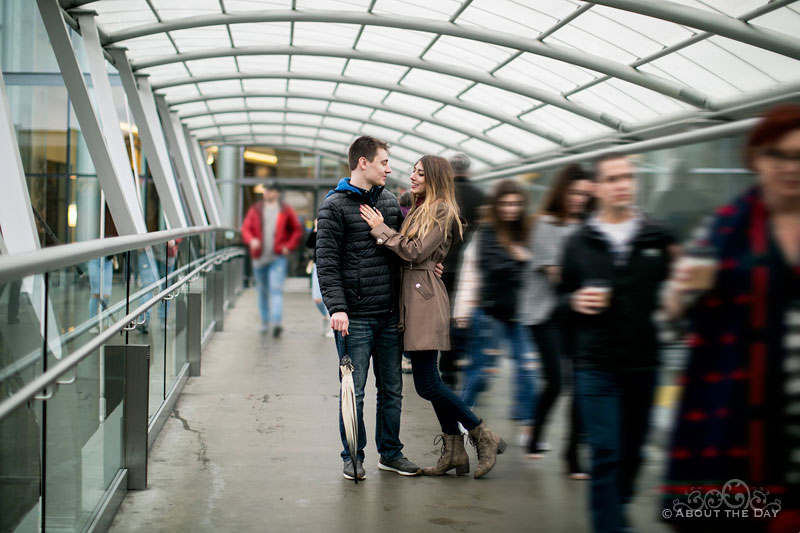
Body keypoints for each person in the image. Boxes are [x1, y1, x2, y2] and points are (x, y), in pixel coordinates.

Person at [661, 105, 800, 532]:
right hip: (739, 413)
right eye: (780, 154)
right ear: (757, 157)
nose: (791, 168)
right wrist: (684, 294)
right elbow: (672, 313)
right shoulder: (725, 229)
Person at [360, 155, 507, 479]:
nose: (413, 176)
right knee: (431, 382)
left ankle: (481, 433)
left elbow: (413, 252)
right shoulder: (420, 208)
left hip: (424, 300)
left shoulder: (441, 210)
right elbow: (418, 253)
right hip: (415, 295)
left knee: (427, 384)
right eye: (413, 171)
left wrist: (379, 229)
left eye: (421, 173)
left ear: (436, 178)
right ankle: (454, 452)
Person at [560, 153, 677, 533]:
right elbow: (559, 298)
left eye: (628, 177)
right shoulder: (579, 241)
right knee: (606, 452)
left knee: (632, 453)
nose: (622, 184)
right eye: (613, 178)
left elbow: (681, 289)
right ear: (598, 187)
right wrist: (574, 300)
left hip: (644, 362)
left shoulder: (657, 235)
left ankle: (617, 504)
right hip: (596, 363)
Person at [316, 136, 420, 481]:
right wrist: (337, 308)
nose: (389, 169)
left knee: (392, 389)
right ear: (364, 163)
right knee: (354, 392)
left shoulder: (389, 202)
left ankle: (391, 453)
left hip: (389, 315)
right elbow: (327, 264)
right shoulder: (333, 206)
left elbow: (401, 249)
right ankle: (353, 456)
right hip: (354, 318)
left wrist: (428, 267)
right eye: (384, 162)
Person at [519, 164, 594, 478]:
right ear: (561, 191)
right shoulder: (545, 225)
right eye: (573, 193)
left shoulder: (590, 226)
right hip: (544, 314)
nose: (578, 199)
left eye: (584, 195)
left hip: (577, 314)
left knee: (581, 384)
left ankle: (572, 454)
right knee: (557, 381)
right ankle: (536, 433)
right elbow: (557, 277)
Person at [471, 180, 538, 440]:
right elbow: (490, 266)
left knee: (528, 368)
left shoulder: (525, 231)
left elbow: (533, 267)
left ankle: (526, 423)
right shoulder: (488, 230)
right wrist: (518, 258)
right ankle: (465, 411)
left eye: (516, 204)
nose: (512, 209)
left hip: (520, 312)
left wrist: (516, 258)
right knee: (484, 369)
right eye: (507, 203)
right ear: (498, 205)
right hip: (492, 312)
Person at [439, 153, 485, 388]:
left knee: (445, 316)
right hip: (472, 268)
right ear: (468, 169)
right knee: (465, 316)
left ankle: (447, 367)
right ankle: (468, 362)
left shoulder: (442, 194)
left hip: (444, 265)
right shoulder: (480, 196)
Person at [241, 180, 303, 338]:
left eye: (269, 190)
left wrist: (288, 246)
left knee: (275, 289)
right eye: (265, 190)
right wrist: (251, 240)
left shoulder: (285, 210)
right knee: (262, 291)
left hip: (277, 257)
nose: (266, 192)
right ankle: (264, 322)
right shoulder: (256, 209)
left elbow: (296, 230)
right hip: (259, 257)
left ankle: (275, 323)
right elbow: (246, 228)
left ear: (277, 193)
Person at [305, 218, 333, 338]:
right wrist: (316, 230)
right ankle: (326, 316)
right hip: (318, 264)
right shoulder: (319, 221)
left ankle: (333, 325)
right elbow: (309, 244)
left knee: (330, 297)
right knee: (317, 298)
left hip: (331, 264)